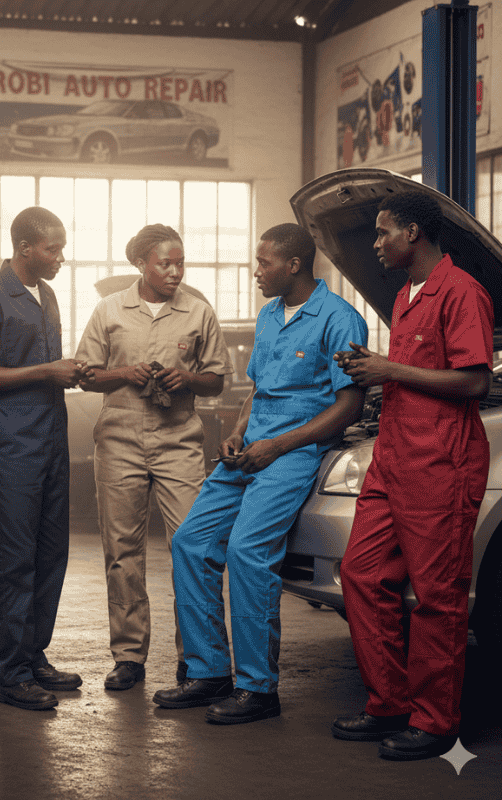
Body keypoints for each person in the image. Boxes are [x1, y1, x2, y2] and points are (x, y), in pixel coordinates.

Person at [153, 223, 368, 724]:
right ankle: (208, 671)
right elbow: (260, 390)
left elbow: (350, 407)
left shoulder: (339, 319)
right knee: (190, 541)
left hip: (294, 454)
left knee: (247, 551)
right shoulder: (270, 315)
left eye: (264, 262)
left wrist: (277, 446)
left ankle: (257, 689)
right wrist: (238, 430)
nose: (256, 271)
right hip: (250, 449)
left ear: (293, 265)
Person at [332, 191, 493, 760]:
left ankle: (434, 722)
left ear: (415, 233)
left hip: (441, 465)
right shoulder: (406, 296)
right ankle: (390, 701)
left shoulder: (462, 293)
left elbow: (474, 382)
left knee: (436, 598)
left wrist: (389, 368)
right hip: (394, 458)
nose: (375, 244)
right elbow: (415, 374)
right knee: (360, 574)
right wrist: (373, 371)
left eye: (383, 232)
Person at [75, 224, 232, 690]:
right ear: (142, 263)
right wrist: (124, 372)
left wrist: (188, 379)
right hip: (119, 438)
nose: (175, 271)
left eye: (181, 262)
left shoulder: (198, 312)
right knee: (122, 552)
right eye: (165, 263)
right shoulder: (109, 310)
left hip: (178, 438)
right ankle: (128, 656)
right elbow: (86, 376)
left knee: (193, 545)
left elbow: (217, 380)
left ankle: (197, 658)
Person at [0, 206, 89, 710]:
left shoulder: (48, 294)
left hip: (51, 442)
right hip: (10, 446)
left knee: (50, 553)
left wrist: (70, 372)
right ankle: (11, 674)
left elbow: (47, 369)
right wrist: (45, 372)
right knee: (14, 560)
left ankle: (34, 655)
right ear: (24, 249)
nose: (60, 258)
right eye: (52, 249)